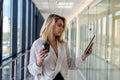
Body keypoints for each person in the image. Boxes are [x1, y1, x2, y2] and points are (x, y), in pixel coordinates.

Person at [28, 14, 93, 80]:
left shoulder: (63, 44)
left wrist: (84, 56)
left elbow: (70, 64)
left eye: (62, 26)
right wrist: (39, 62)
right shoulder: (37, 44)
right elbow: (32, 71)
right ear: (51, 25)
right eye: (59, 25)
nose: (62, 28)